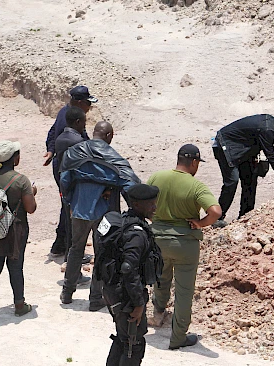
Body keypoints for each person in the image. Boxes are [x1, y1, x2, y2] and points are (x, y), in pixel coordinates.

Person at [59, 121, 140, 311]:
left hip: (79, 208)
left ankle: (67, 293)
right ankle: (95, 299)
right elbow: (130, 183)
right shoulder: (113, 157)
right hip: (104, 213)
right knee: (102, 253)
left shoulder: (74, 152)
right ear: (110, 136)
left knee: (75, 249)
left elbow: (65, 180)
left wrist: (71, 201)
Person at [148, 144, 222, 350]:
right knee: (184, 290)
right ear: (194, 162)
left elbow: (143, 199)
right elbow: (215, 211)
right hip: (184, 243)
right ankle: (178, 336)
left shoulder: (157, 177)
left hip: (158, 239)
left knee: (161, 277)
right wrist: (201, 223)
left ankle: (158, 314)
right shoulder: (195, 186)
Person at [96, 184, 161, 366]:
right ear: (137, 205)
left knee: (124, 338)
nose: (154, 207)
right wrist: (138, 303)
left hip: (112, 290)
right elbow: (128, 268)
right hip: (125, 295)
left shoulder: (125, 221)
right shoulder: (136, 233)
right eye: (150, 204)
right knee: (134, 344)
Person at [0, 141, 38, 324]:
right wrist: (32, 192)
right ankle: (20, 305)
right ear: (15, 159)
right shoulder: (21, 181)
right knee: (15, 267)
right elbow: (31, 208)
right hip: (15, 231)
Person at [213, 115, 274, 226]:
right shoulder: (268, 130)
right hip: (225, 144)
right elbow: (272, 157)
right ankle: (217, 218)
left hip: (240, 148)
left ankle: (245, 216)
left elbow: (252, 138)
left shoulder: (270, 125)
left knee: (251, 177)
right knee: (232, 181)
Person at [44, 85, 97, 257]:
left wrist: (51, 150)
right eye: (88, 103)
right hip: (66, 171)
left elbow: (52, 134)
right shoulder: (69, 118)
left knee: (66, 207)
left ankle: (59, 246)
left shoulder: (68, 114)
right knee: (71, 210)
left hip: (62, 167)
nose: (90, 107)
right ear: (80, 103)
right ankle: (70, 252)